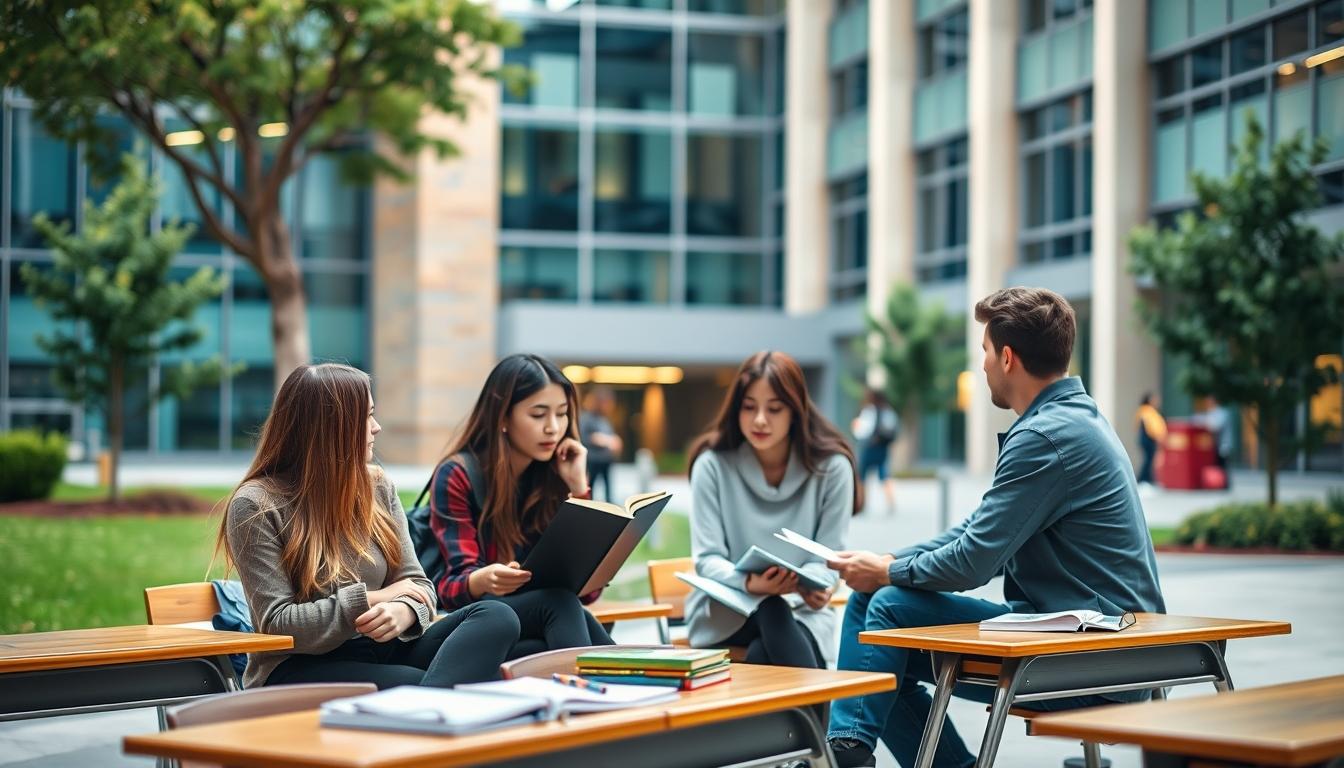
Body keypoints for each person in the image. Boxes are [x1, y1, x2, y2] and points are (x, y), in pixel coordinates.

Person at [823, 288, 1166, 768]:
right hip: (1099, 644)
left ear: (1007, 357)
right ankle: (849, 751)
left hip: (1094, 657)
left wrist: (889, 574)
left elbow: (972, 561)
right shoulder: (1072, 420)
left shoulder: (1045, 436)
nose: (981, 364)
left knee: (884, 613)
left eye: (983, 351)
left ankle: (844, 753)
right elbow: (976, 531)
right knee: (878, 636)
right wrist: (888, 564)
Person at [219, 364, 520, 691]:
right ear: (331, 428)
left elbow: (417, 583)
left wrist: (403, 611)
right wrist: (376, 599)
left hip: (381, 648)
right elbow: (278, 626)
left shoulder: (376, 485)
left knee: (496, 616)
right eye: (366, 417)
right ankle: (436, 709)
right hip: (299, 666)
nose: (376, 428)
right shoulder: (255, 504)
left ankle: (432, 706)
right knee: (420, 683)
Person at [685, 351, 861, 669]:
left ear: (795, 411)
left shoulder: (832, 469)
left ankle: (810, 721)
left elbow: (828, 556)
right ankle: (824, 720)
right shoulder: (711, 466)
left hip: (803, 613)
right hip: (727, 609)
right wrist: (752, 585)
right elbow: (707, 559)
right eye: (749, 407)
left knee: (764, 651)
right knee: (772, 608)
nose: (760, 420)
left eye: (774, 408)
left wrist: (821, 587)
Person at [429, 353, 614, 652]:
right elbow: (448, 589)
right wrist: (483, 579)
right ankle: (635, 684)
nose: (553, 428)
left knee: (567, 616)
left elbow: (587, 594)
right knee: (563, 607)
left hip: (541, 621)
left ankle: (625, 685)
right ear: (503, 416)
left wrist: (579, 491)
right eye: (538, 415)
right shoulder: (458, 475)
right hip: (477, 622)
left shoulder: (554, 476)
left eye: (562, 413)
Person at [852, 387, 899, 515]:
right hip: (882, 448)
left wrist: (856, 426)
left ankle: (862, 504)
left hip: (869, 448)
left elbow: (861, 431)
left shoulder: (869, 410)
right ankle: (891, 503)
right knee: (884, 475)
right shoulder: (888, 411)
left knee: (862, 477)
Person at [580, 386, 624, 503]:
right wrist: (603, 440)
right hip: (593, 460)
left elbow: (610, 435)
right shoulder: (587, 418)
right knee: (591, 487)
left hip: (606, 459)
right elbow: (584, 437)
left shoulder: (604, 418)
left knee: (608, 488)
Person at [1136, 392, 1167, 488]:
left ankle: (1148, 480)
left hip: (1149, 439)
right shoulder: (1146, 411)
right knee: (1148, 460)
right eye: (1154, 399)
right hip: (1148, 439)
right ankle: (1142, 480)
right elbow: (1152, 427)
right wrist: (1158, 437)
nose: (1157, 401)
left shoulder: (1149, 411)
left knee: (1149, 460)